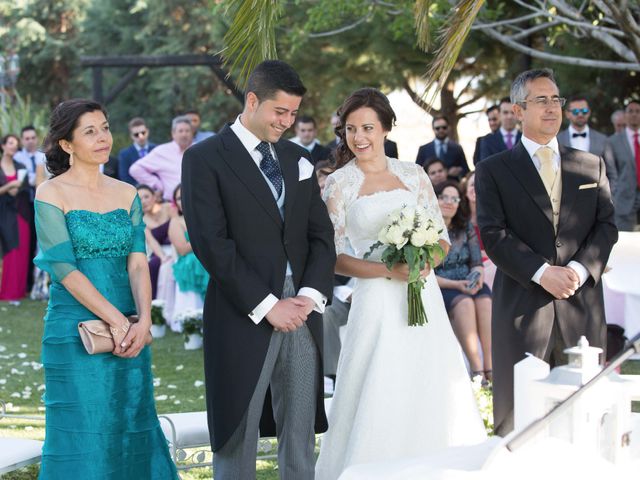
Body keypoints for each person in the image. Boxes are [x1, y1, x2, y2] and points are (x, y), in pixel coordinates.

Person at [315, 88, 485, 479]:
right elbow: (336, 256)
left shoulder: (414, 174)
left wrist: (426, 260)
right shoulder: (339, 184)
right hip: (375, 299)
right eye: (351, 129)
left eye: (368, 128)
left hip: (421, 293)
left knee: (427, 377)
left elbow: (441, 236)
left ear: (387, 129)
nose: (359, 137)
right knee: (378, 383)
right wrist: (389, 270)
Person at [181, 60, 335, 480]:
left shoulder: (298, 157)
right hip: (242, 309)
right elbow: (211, 244)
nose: (287, 122)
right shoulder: (204, 158)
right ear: (252, 100)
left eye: (293, 114)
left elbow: (321, 236)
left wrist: (310, 296)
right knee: (238, 426)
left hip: (303, 311)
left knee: (301, 425)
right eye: (279, 112)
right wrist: (268, 305)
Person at [33, 99, 177, 478]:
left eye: (106, 127)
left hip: (130, 331)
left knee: (131, 424)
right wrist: (116, 320)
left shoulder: (125, 192)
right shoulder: (51, 193)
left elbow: (137, 262)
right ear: (67, 144)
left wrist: (143, 320)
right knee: (82, 432)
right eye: (90, 131)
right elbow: (63, 268)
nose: (103, 138)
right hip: (75, 330)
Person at [475, 69, 618, 437]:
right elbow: (493, 233)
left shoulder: (590, 165)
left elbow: (606, 226)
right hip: (524, 308)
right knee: (520, 422)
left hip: (581, 306)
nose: (552, 107)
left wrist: (579, 270)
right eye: (541, 100)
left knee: (585, 416)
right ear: (518, 110)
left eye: (556, 99)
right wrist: (542, 273)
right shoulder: (493, 171)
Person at [434, 181, 492, 383]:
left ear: (460, 202)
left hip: (468, 281)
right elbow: (427, 274)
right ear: (436, 198)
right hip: (443, 285)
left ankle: (490, 367)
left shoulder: (465, 225)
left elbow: (477, 263)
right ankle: (478, 373)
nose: (449, 202)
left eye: (454, 198)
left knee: (484, 301)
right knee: (466, 303)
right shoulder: (426, 228)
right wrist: (457, 285)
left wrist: (477, 278)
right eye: (444, 197)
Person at [169, 184, 210, 328]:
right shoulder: (176, 222)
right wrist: (206, 234)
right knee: (196, 261)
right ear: (176, 203)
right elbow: (182, 249)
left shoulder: (207, 216)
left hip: (209, 255)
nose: (183, 200)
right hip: (189, 260)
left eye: (185, 195)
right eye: (179, 198)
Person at [129, 115, 193, 201]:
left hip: (198, 201)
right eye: (180, 131)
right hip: (172, 203)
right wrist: (158, 185)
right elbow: (135, 169)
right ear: (173, 133)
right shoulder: (162, 151)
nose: (184, 134)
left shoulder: (198, 150)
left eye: (187, 131)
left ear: (192, 133)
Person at [0, 134, 31, 302]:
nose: (13, 146)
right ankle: (7, 292)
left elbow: (25, 190)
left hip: (21, 213)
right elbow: (6, 190)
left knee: (22, 251)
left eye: (15, 144)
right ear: (3, 145)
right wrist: (10, 186)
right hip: (4, 214)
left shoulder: (21, 166)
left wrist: (18, 189)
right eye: (10, 143)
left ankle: (19, 291)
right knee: (10, 251)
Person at [605, 100, 640, 231]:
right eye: (631, 111)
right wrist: (615, 195)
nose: (634, 114)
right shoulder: (613, 142)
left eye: (638, 111)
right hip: (624, 202)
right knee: (626, 246)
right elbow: (610, 172)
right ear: (625, 115)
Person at [136, 184, 173, 300]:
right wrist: (163, 257)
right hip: (160, 251)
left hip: (177, 246)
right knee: (152, 265)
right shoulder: (142, 220)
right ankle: (156, 303)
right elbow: (151, 242)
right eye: (139, 199)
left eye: (146, 197)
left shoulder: (168, 208)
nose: (143, 201)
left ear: (154, 197)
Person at [478, 97, 522, 162]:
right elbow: (486, 168)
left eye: (513, 112)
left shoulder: (526, 139)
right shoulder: (487, 141)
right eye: (505, 112)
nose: (509, 116)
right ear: (499, 115)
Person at [118, 117, 156, 185]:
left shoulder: (156, 150)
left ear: (147, 131)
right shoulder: (124, 154)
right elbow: (125, 178)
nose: (141, 137)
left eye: (143, 133)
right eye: (136, 134)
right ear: (131, 136)